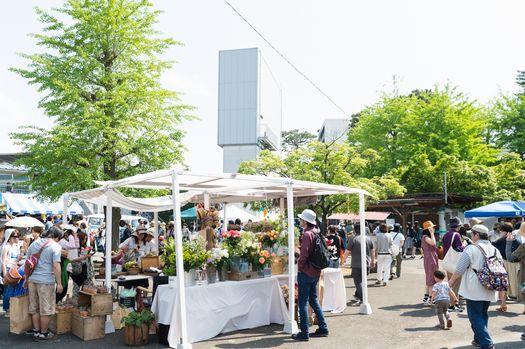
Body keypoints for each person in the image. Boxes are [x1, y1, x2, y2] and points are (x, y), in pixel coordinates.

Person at [449, 225, 506, 349]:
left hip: (474, 287)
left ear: (476, 235)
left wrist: (450, 282)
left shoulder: (471, 248)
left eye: (472, 234)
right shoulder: (495, 249)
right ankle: (478, 339)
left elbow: (460, 269)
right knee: (482, 314)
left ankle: (487, 343)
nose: (471, 236)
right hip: (490, 286)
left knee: (475, 316)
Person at [292, 209, 328, 342]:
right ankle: (323, 328)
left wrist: (299, 267)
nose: (300, 221)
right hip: (316, 271)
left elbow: (304, 254)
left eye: (301, 219)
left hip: (306, 272)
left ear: (305, 221)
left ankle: (304, 333)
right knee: (313, 300)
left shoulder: (307, 234)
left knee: (303, 302)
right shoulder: (317, 231)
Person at [26, 226, 63, 339]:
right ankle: (44, 333)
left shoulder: (34, 244)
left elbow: (27, 261)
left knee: (34, 307)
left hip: (32, 280)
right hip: (46, 281)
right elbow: (56, 265)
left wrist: (26, 278)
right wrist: (60, 283)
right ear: (56, 237)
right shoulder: (55, 246)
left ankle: (37, 331)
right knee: (46, 309)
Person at [343, 222, 375, 305]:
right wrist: (372, 261)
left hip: (356, 264)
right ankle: (357, 295)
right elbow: (372, 251)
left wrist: (343, 260)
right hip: (367, 263)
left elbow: (347, 251)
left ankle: (363, 298)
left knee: (358, 282)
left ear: (355, 229)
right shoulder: (368, 238)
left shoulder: (353, 239)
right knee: (362, 281)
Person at [493, 222, 521, 301]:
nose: (500, 233)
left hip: (505, 263)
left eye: (501, 231)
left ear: (505, 231)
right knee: (514, 281)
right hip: (516, 263)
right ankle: (510, 297)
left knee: (504, 281)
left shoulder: (502, 240)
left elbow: (494, 248)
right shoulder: (516, 239)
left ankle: (503, 299)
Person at [442, 217, 464, 311]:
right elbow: (459, 249)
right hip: (455, 262)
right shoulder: (457, 235)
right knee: (456, 284)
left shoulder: (446, 234)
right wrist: (464, 245)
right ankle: (453, 304)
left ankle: (451, 303)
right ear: (458, 226)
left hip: (447, 261)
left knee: (451, 283)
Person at [71, 231, 95, 303]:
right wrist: (86, 256)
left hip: (84, 270)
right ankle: (75, 304)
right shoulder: (75, 247)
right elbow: (74, 258)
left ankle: (84, 303)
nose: (85, 240)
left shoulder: (83, 247)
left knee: (87, 289)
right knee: (77, 288)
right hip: (78, 270)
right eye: (84, 239)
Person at [1, 229, 21, 316]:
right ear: (9, 237)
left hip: (15, 269)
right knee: (7, 291)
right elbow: (3, 261)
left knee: (13, 290)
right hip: (8, 270)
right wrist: (5, 273)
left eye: (18, 236)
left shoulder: (16, 246)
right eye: (15, 237)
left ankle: (11, 308)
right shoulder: (6, 247)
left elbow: (17, 259)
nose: (17, 238)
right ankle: (6, 309)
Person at [421, 221, 439, 305]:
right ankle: (432, 299)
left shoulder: (425, 236)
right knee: (431, 279)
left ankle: (426, 297)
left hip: (430, 258)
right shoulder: (425, 237)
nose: (434, 229)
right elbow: (433, 243)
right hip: (430, 259)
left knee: (429, 278)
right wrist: (432, 233)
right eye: (432, 228)